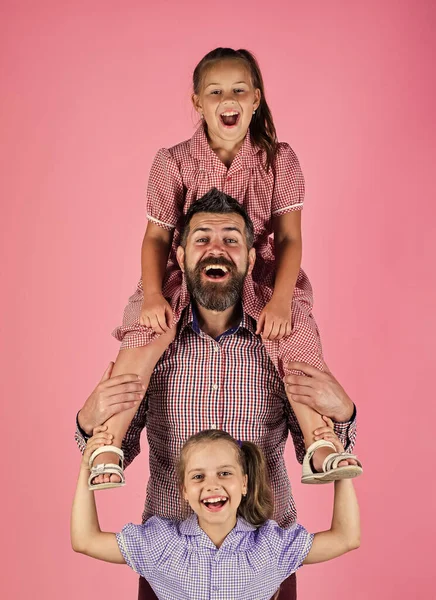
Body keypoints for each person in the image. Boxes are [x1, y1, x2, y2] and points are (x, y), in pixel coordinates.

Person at [89, 47, 363, 487]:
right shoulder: (173, 161)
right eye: (215, 92)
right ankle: (108, 444)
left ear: (255, 98)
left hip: (263, 274)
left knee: (296, 338)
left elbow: (290, 238)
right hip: (186, 274)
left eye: (238, 90)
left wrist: (279, 301)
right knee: (143, 336)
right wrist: (156, 294)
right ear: (198, 102)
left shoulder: (280, 160)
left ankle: (320, 441)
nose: (227, 99)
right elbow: (157, 238)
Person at [76, 190, 361, 599]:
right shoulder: (153, 342)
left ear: (250, 255)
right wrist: (89, 419)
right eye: (202, 238)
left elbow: (317, 452)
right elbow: (112, 449)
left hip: (263, 563)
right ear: (181, 255)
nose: (217, 249)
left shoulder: (280, 340)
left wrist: (345, 412)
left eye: (230, 239)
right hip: (171, 567)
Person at [71, 426, 361, 600]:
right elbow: (85, 540)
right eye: (198, 477)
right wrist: (86, 467)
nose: (212, 485)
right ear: (183, 490)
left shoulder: (271, 545)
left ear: (244, 483)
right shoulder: (160, 543)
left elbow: (346, 538)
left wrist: (341, 472)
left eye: (225, 473)